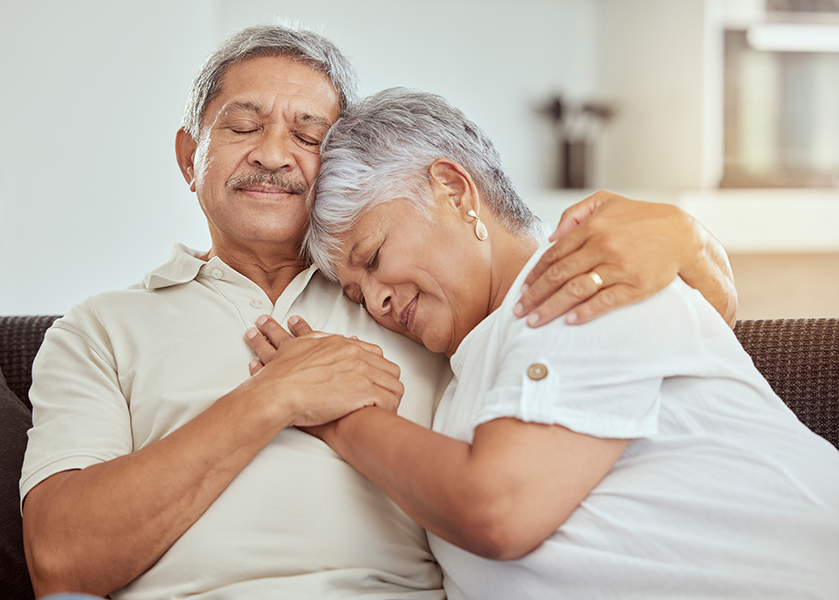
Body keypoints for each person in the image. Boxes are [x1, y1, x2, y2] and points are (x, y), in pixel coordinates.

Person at [20, 25, 738, 599]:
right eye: (243, 127)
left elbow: (635, 336)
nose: (275, 153)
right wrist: (272, 397)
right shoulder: (98, 330)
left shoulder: (422, 303)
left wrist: (691, 239)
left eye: (307, 136)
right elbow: (59, 562)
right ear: (188, 157)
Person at [248, 87, 839, 599]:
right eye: (356, 294)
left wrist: (337, 414)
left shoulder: (579, 276)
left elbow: (498, 510)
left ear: (453, 190)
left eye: (374, 259)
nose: (375, 301)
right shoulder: (460, 387)